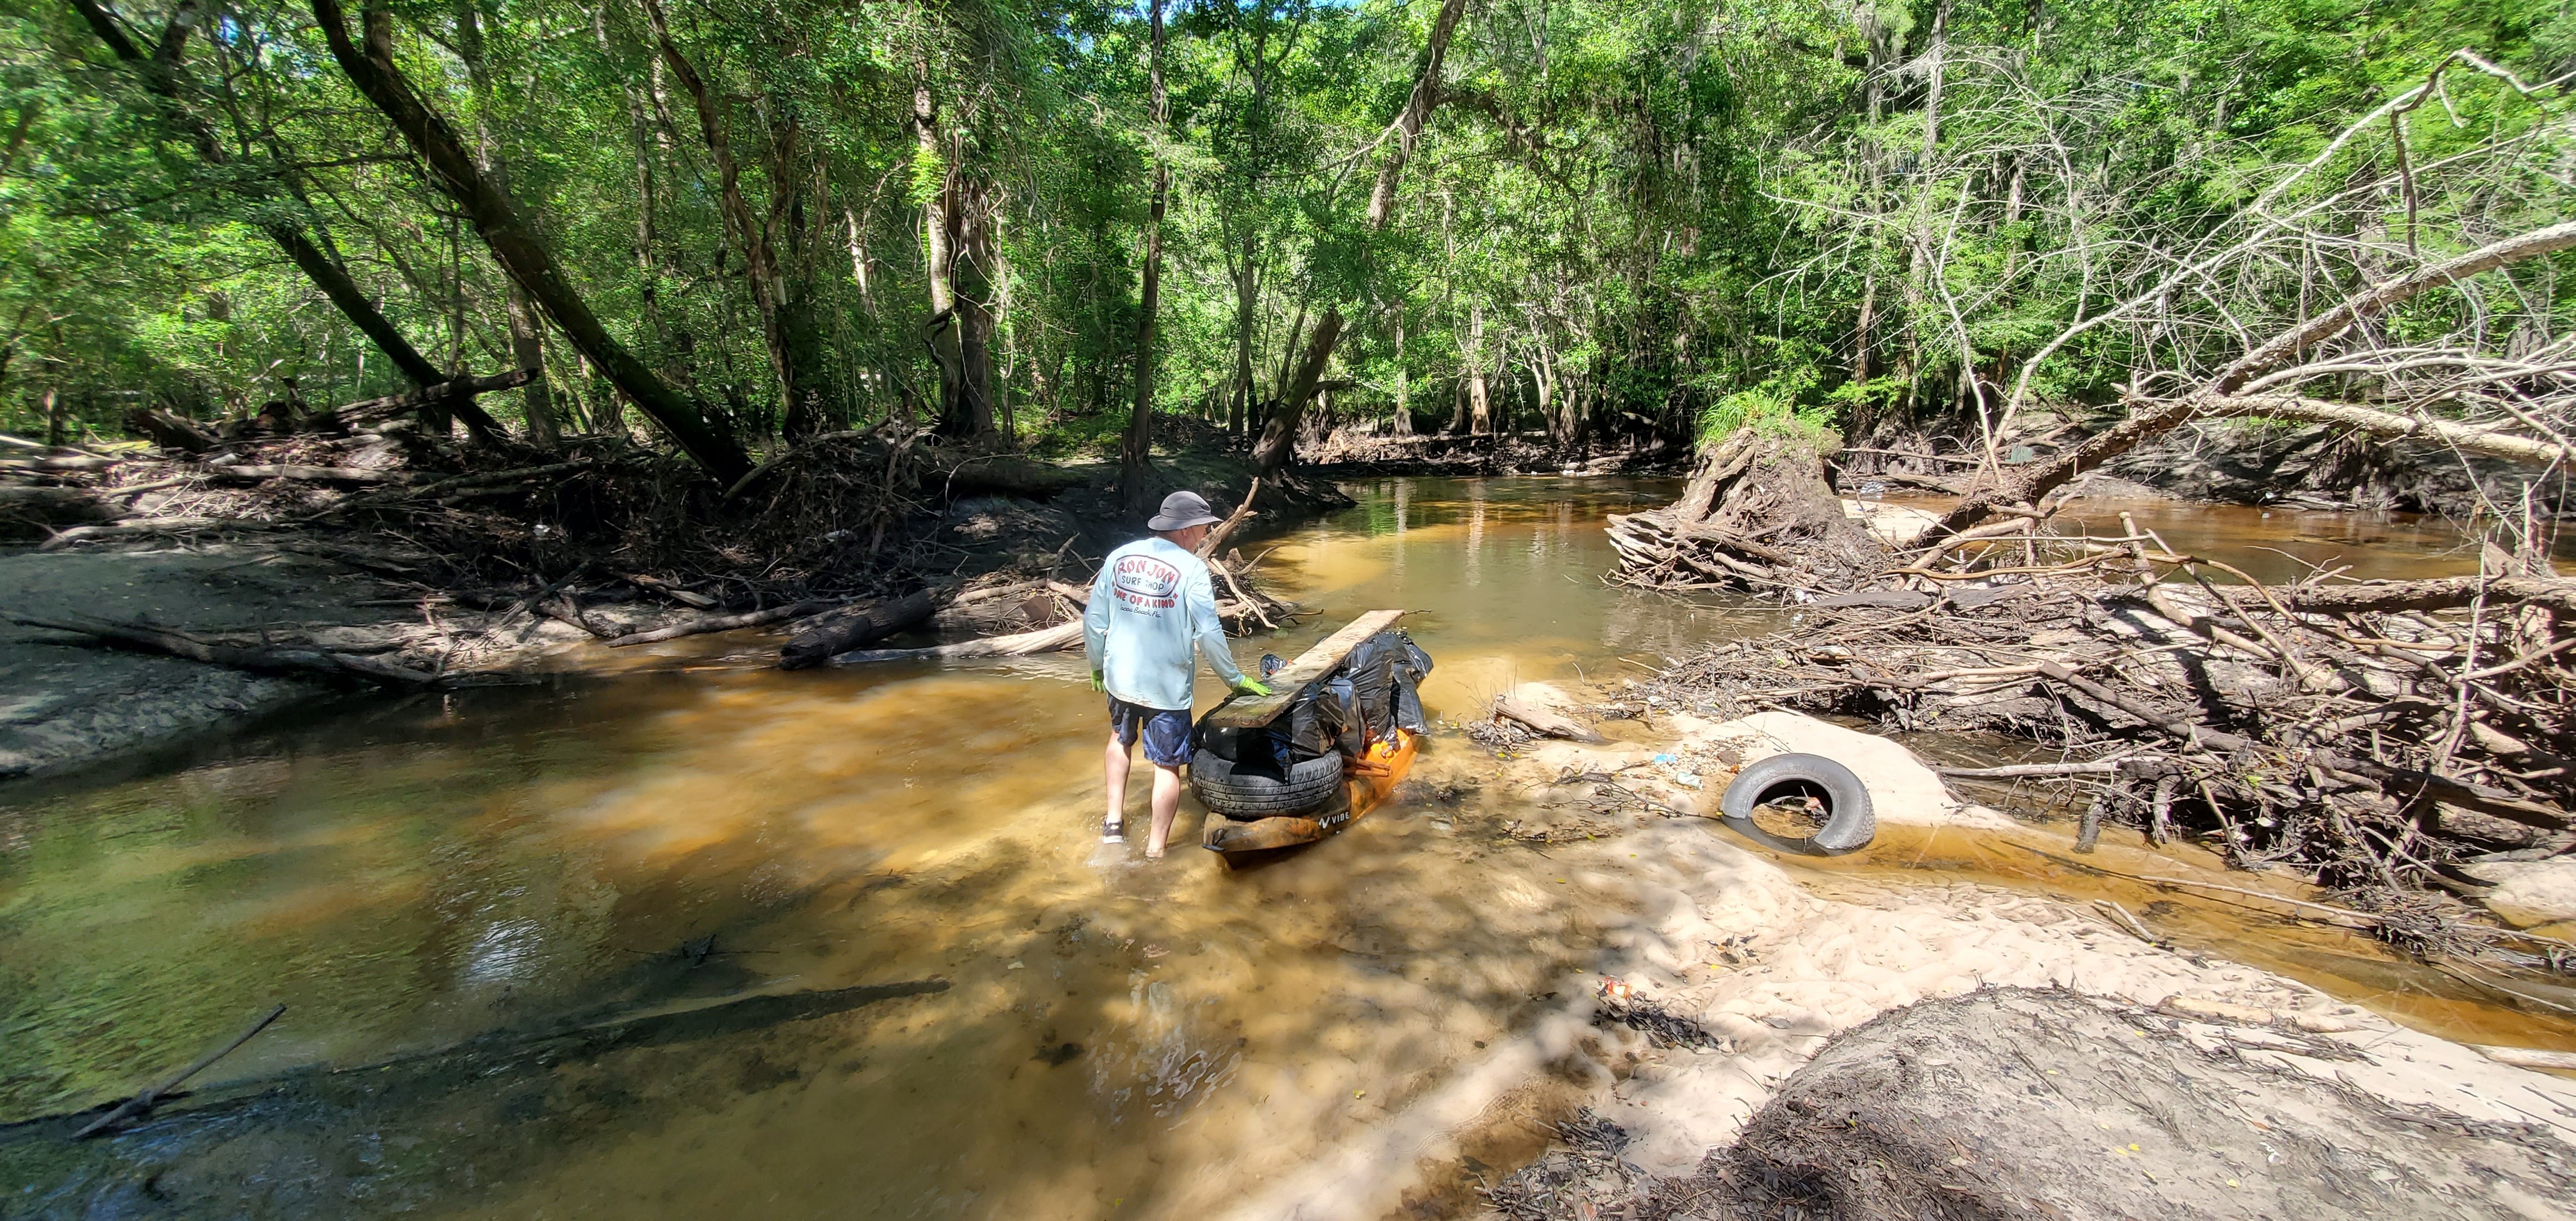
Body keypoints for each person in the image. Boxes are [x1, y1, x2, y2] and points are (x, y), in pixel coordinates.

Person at [1083, 490, 1271, 858]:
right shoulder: (1192, 569)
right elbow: (1208, 633)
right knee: (1167, 766)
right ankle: (1155, 853)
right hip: (1166, 687)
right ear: (1185, 530)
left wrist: (1096, 665)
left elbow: (1094, 621)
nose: (1205, 536)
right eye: (1203, 528)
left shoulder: (1119, 557)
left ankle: (1112, 827)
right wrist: (1235, 679)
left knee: (1119, 740)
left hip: (1120, 677)